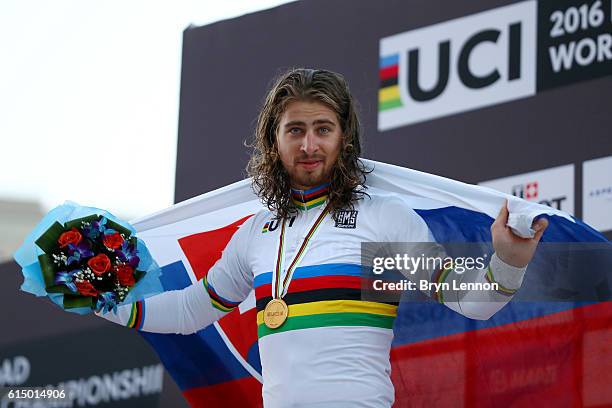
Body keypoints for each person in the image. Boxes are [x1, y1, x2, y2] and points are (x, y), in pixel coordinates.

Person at [99, 68, 548, 407]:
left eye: (322, 130)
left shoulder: (381, 221)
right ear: (273, 141)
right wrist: (98, 300)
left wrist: (508, 262)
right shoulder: (255, 234)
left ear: (344, 139)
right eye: (295, 130)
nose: (309, 145)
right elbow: (188, 310)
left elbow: (467, 300)